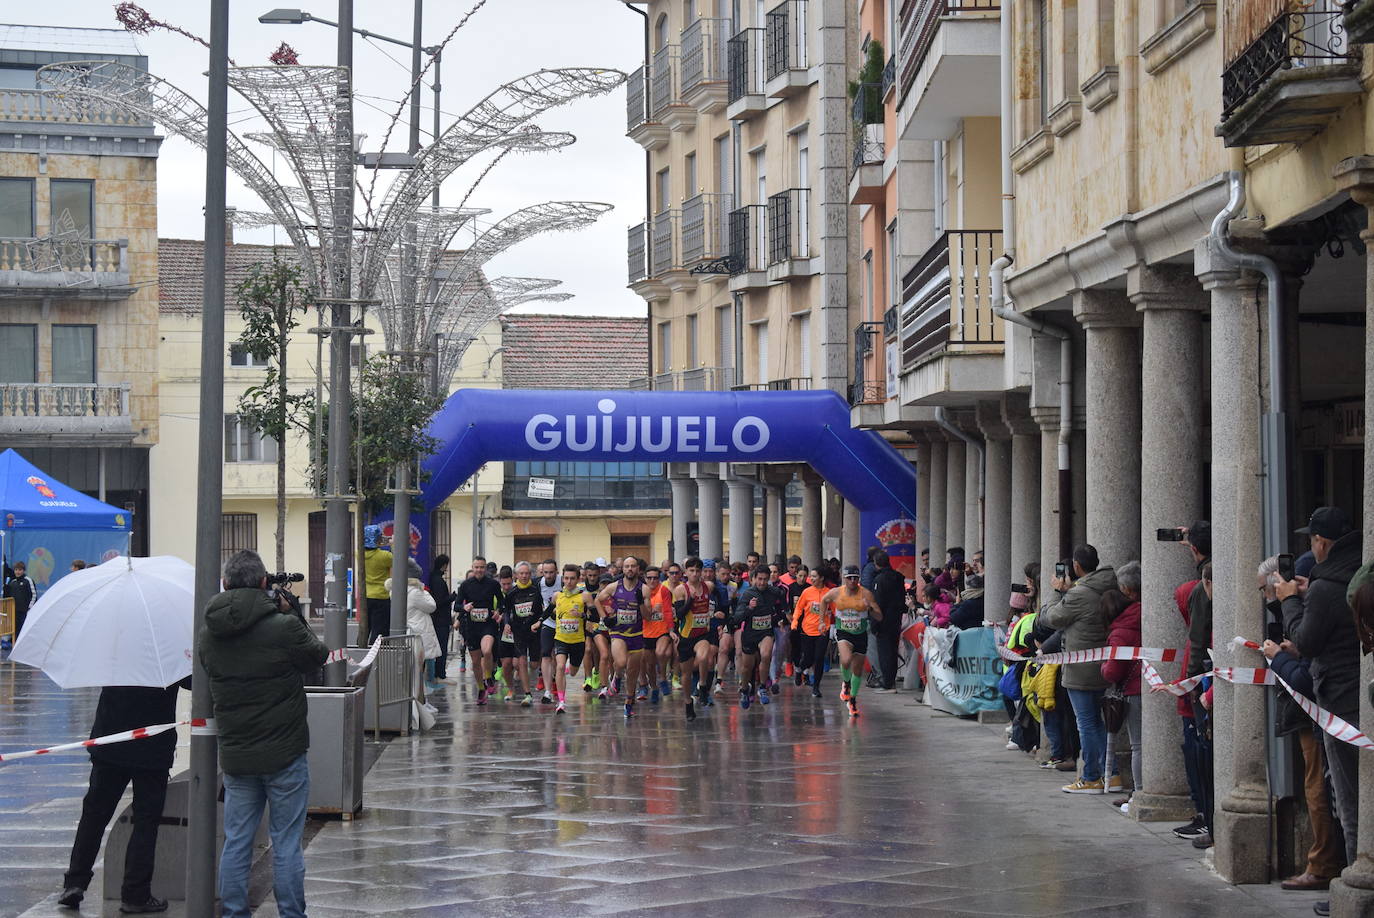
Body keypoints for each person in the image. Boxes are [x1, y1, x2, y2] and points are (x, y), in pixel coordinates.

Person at [199, 550, 328, 918]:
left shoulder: (209, 634)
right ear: (262, 583)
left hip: (238, 755)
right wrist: (293, 614)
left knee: (237, 842)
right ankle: (291, 913)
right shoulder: (283, 626)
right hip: (285, 752)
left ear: (225, 584)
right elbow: (317, 657)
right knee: (286, 843)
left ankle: (235, 912)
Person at [58, 676, 190, 913]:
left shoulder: (114, 644)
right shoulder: (167, 649)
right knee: (145, 822)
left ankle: (75, 883)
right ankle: (135, 894)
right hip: (152, 749)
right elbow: (193, 682)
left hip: (111, 741)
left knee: (94, 815)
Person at [1278, 506, 1362, 869]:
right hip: (1358, 690)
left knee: (1347, 795)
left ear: (1322, 543)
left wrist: (1290, 601)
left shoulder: (1326, 589)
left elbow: (1306, 641)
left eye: (1313, 540)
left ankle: (1357, 873)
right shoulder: (1354, 574)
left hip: (1339, 696)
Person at [1260, 574, 1345, 892]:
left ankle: (1325, 864)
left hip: (1321, 713)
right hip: (1318, 713)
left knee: (1320, 790)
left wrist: (1280, 657)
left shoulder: (1314, 604)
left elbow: (1306, 676)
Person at [1041, 543, 1117, 794]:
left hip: (1080, 667)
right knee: (1103, 723)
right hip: (1104, 663)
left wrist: (1055, 591)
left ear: (1076, 566)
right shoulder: (1107, 585)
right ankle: (1112, 774)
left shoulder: (1079, 594)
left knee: (1087, 723)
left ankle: (1092, 776)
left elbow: (1051, 618)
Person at [1101, 562, 1143, 811]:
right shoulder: (1139, 615)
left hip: (1134, 689)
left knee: (1137, 745)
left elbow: (1113, 670)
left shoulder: (1119, 632)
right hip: (1145, 683)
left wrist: (1103, 668)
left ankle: (1138, 793)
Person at [822, 565, 883, 718]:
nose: (853, 581)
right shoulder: (837, 592)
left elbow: (879, 616)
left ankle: (853, 699)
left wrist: (870, 609)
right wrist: (821, 621)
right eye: (850, 578)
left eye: (855, 578)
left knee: (857, 670)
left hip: (860, 633)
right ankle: (846, 683)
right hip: (843, 632)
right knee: (846, 659)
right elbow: (824, 600)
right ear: (844, 578)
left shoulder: (866, 594)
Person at [595, 555, 649, 718]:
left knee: (633, 672)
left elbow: (648, 616)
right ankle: (617, 676)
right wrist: (604, 617)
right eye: (627, 566)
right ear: (622, 569)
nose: (630, 569)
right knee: (620, 662)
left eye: (633, 566)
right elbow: (598, 600)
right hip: (618, 632)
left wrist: (640, 603)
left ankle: (628, 702)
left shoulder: (644, 589)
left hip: (637, 634)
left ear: (638, 569)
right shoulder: (614, 586)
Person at [731, 566, 789, 708]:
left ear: (769, 579)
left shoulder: (773, 591)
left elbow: (784, 600)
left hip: (766, 632)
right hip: (750, 634)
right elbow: (737, 618)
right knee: (747, 667)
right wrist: (749, 608)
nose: (762, 583)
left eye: (765, 579)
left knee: (766, 654)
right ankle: (745, 689)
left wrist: (782, 615)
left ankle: (762, 687)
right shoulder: (748, 594)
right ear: (754, 579)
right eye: (760, 579)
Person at [674, 556, 717, 721]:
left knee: (704, 656)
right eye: (691, 570)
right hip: (686, 636)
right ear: (686, 572)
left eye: (697, 571)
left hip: (702, 634)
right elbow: (679, 614)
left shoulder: (709, 586)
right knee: (685, 673)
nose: (695, 574)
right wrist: (690, 600)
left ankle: (704, 685)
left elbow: (720, 598)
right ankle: (687, 703)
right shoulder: (680, 590)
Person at [456, 556, 501, 705]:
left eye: (482, 567)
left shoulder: (493, 584)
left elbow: (502, 601)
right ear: (472, 567)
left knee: (487, 651)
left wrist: (498, 611)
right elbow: (456, 605)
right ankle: (481, 689)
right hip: (472, 627)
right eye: (476, 567)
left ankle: (488, 677)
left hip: (488, 624)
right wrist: (464, 607)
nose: (479, 570)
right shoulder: (465, 585)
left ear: (486, 568)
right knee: (475, 662)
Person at [548, 563, 591, 714]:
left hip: (578, 640)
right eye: (566, 578)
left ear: (578, 579)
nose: (569, 582)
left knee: (572, 672)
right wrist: (539, 621)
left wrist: (582, 615)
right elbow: (549, 612)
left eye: (572, 578)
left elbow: (594, 616)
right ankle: (561, 702)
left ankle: (569, 669)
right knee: (559, 666)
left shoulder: (584, 596)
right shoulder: (557, 596)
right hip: (560, 638)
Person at [391, 557, 439, 694]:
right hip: (418, 634)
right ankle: (419, 700)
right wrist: (426, 592)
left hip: (408, 632)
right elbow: (431, 606)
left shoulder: (396, 590)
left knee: (412, 670)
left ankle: (418, 699)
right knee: (418, 670)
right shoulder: (416, 592)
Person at [501, 561, 544, 706]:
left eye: (526, 573)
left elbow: (541, 609)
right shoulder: (512, 593)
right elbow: (506, 610)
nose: (524, 576)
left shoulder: (535, 589)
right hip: (518, 631)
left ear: (530, 574)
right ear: (516, 575)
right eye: (521, 573)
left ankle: (535, 676)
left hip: (534, 630)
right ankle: (527, 694)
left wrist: (538, 620)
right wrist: (507, 623)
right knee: (522, 661)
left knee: (533, 664)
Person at [792, 566, 834, 697]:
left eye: (814, 576)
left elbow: (835, 609)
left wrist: (833, 615)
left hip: (823, 630)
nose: (811, 579)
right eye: (811, 576)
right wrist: (794, 622)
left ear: (821, 578)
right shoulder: (807, 592)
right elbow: (799, 608)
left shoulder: (829, 593)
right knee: (808, 658)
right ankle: (799, 669)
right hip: (807, 629)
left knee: (819, 658)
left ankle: (816, 687)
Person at [871, 549, 907, 691]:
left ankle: (887, 682)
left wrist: (875, 623)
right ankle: (890, 679)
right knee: (892, 650)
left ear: (876, 564)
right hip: (896, 619)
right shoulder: (898, 577)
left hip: (883, 621)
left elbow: (877, 603)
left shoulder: (879, 580)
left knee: (885, 652)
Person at [641, 565, 675, 703]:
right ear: (645, 579)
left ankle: (663, 678)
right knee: (649, 665)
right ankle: (654, 687)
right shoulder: (641, 592)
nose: (653, 580)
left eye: (655, 577)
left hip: (662, 630)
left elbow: (667, 611)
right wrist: (649, 611)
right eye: (649, 578)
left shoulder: (664, 590)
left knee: (660, 653)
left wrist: (671, 629)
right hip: (645, 632)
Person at [362, 525, 393, 645]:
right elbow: (397, 559)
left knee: (365, 628)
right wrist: (392, 544)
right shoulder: (384, 556)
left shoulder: (358, 553)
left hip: (366, 596)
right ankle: (377, 657)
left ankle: (362, 652)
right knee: (379, 630)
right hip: (381, 596)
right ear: (378, 539)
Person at [427, 554, 454, 683]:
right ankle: (440, 674)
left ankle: (437, 673)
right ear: (444, 565)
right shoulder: (438, 580)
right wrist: (452, 597)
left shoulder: (433, 578)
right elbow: (439, 601)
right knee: (442, 647)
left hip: (437, 619)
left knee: (438, 647)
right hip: (441, 619)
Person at [4, 559, 36, 640]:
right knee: (15, 630)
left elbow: (34, 595)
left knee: (23, 630)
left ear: (24, 570)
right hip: (14, 612)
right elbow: (8, 598)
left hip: (25, 612)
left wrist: (30, 608)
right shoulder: (12, 583)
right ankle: (14, 645)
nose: (18, 572)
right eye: (16, 570)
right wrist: (6, 590)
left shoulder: (28, 580)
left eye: (20, 570)